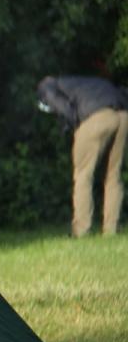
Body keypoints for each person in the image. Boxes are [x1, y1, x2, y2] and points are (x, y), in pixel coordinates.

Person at [37, 75, 128, 237]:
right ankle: (111, 230)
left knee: (82, 175)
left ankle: (81, 230)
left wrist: (73, 124)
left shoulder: (47, 86)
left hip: (97, 116)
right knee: (113, 175)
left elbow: (61, 106)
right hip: (122, 116)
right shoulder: (82, 83)